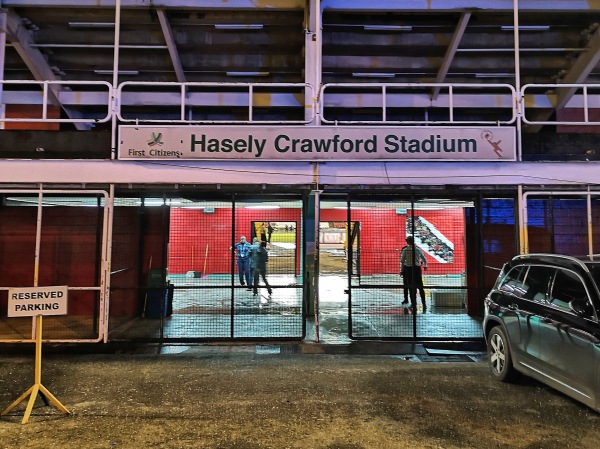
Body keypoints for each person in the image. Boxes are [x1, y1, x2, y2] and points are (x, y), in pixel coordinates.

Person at [400, 235, 428, 313]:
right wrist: (425, 266)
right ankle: (424, 303)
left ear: (407, 242)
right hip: (417, 269)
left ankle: (413, 303)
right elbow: (424, 258)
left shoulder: (405, 250)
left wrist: (401, 270)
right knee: (420, 287)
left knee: (411, 288)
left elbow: (402, 261)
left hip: (409, 270)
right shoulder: (418, 250)